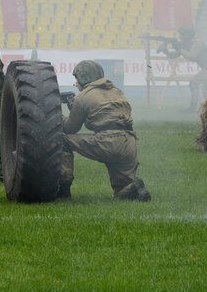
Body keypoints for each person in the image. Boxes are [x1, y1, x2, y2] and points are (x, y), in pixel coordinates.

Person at [60, 60, 151, 201]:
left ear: (83, 78)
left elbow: (70, 128)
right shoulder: (116, 91)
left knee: (61, 140)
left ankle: (63, 189)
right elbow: (104, 115)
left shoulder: (83, 97)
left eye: (76, 80)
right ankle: (135, 188)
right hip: (129, 141)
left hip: (107, 142)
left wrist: (58, 116)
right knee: (122, 192)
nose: (76, 83)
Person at [159, 26, 207, 112]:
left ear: (187, 36)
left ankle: (192, 108)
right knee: (206, 90)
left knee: (194, 83)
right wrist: (165, 51)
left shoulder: (197, 43)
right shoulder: (188, 43)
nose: (180, 37)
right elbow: (173, 55)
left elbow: (192, 56)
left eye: (181, 35)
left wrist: (179, 49)